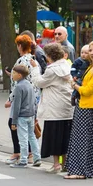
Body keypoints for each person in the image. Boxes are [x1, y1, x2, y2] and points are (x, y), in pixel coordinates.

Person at [65, 41, 93, 179]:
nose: (92, 53)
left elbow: (88, 90)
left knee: (82, 139)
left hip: (88, 105)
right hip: (83, 104)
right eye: (90, 50)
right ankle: (83, 169)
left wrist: (74, 85)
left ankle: (81, 171)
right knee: (82, 138)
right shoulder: (92, 66)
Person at [31, 43, 74, 173]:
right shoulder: (66, 66)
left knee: (54, 136)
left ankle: (56, 164)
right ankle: (65, 163)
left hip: (54, 108)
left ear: (49, 56)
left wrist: (34, 68)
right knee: (65, 136)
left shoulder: (52, 70)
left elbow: (39, 82)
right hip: (67, 107)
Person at [5, 35, 40, 164]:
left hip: (22, 96)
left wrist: (10, 99)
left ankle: (20, 154)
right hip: (33, 96)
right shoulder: (33, 59)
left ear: (20, 46)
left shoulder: (21, 60)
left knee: (15, 124)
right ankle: (35, 156)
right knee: (30, 129)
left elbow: (16, 84)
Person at [10, 65, 41, 168]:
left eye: (14, 73)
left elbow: (16, 105)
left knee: (23, 138)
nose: (12, 75)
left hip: (22, 116)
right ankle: (37, 158)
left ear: (19, 75)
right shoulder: (29, 84)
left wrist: (14, 121)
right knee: (31, 136)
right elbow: (34, 101)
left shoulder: (18, 87)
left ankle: (23, 160)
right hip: (31, 114)